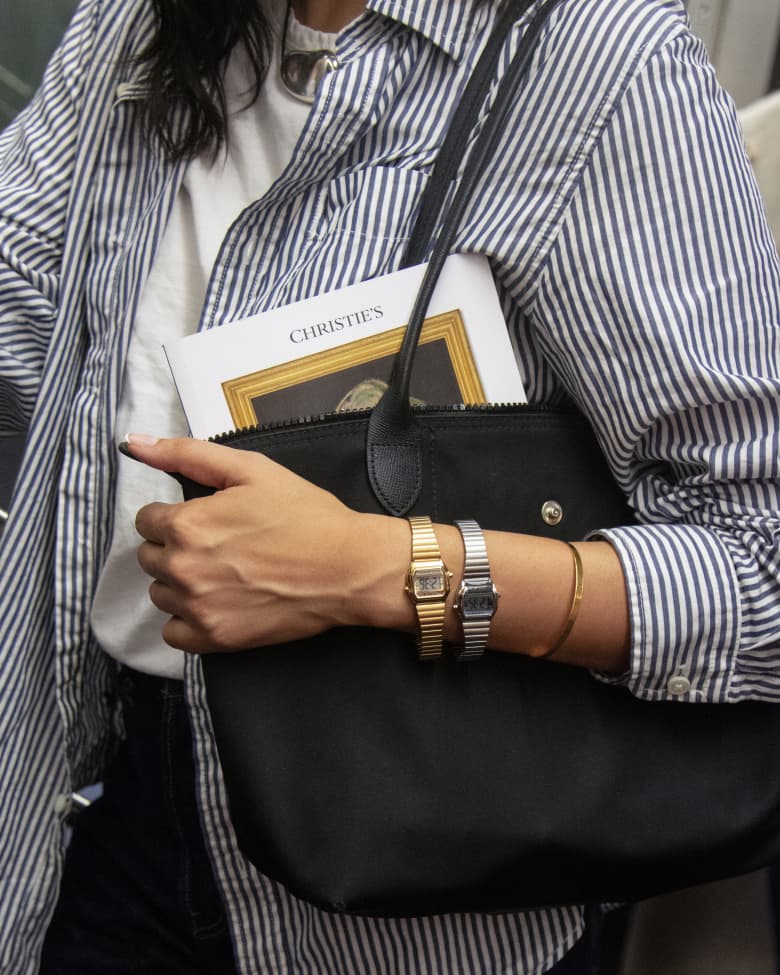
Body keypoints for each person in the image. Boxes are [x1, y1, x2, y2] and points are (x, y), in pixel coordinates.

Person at [0, 0, 778, 971]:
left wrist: (380, 567)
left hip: (422, 869)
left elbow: (765, 569)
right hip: (109, 799)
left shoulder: (599, 62)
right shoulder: (142, 27)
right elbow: (21, 338)